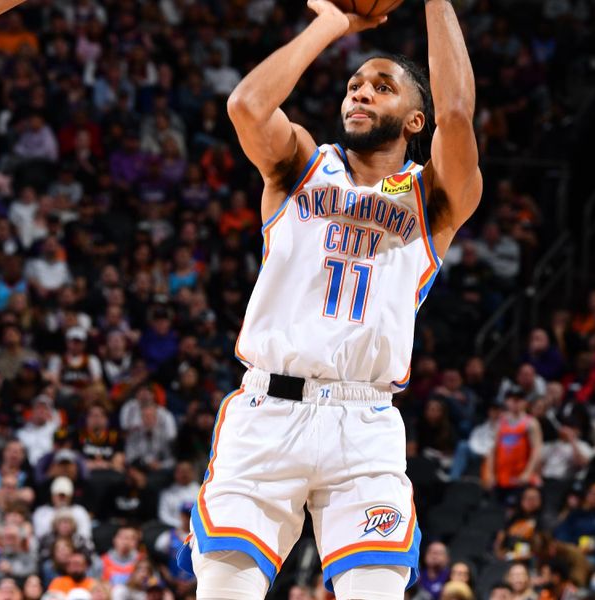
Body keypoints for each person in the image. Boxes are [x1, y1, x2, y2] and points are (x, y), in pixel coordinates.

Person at [178, 0, 482, 598]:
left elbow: (455, 111)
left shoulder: (435, 197)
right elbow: (245, 106)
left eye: (382, 87)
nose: (360, 94)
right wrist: (332, 23)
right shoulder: (300, 166)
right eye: (354, 86)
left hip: (364, 425)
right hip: (267, 413)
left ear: (414, 122)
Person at [484, 388, 543, 502]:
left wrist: (528, 473)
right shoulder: (500, 421)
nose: (515, 403)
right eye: (512, 399)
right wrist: (490, 473)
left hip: (521, 478)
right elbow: (492, 450)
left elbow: (536, 450)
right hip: (501, 477)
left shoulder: (531, 423)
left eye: (519, 399)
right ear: (507, 401)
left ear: (525, 402)